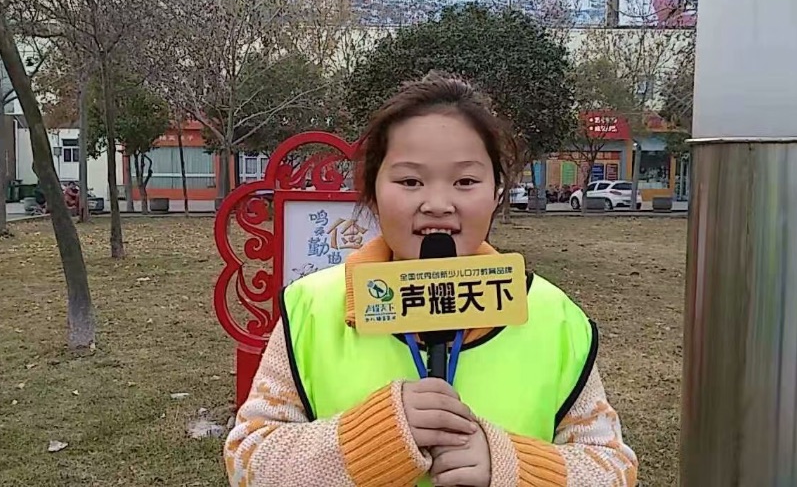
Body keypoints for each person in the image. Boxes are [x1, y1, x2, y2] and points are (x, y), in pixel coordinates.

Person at [224, 72, 638, 487]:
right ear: (372, 191)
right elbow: (247, 459)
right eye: (410, 181)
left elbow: (612, 469)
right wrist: (372, 442)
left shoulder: (554, 318)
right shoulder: (312, 309)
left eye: (465, 182)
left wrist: (511, 467)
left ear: (497, 192)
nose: (438, 204)